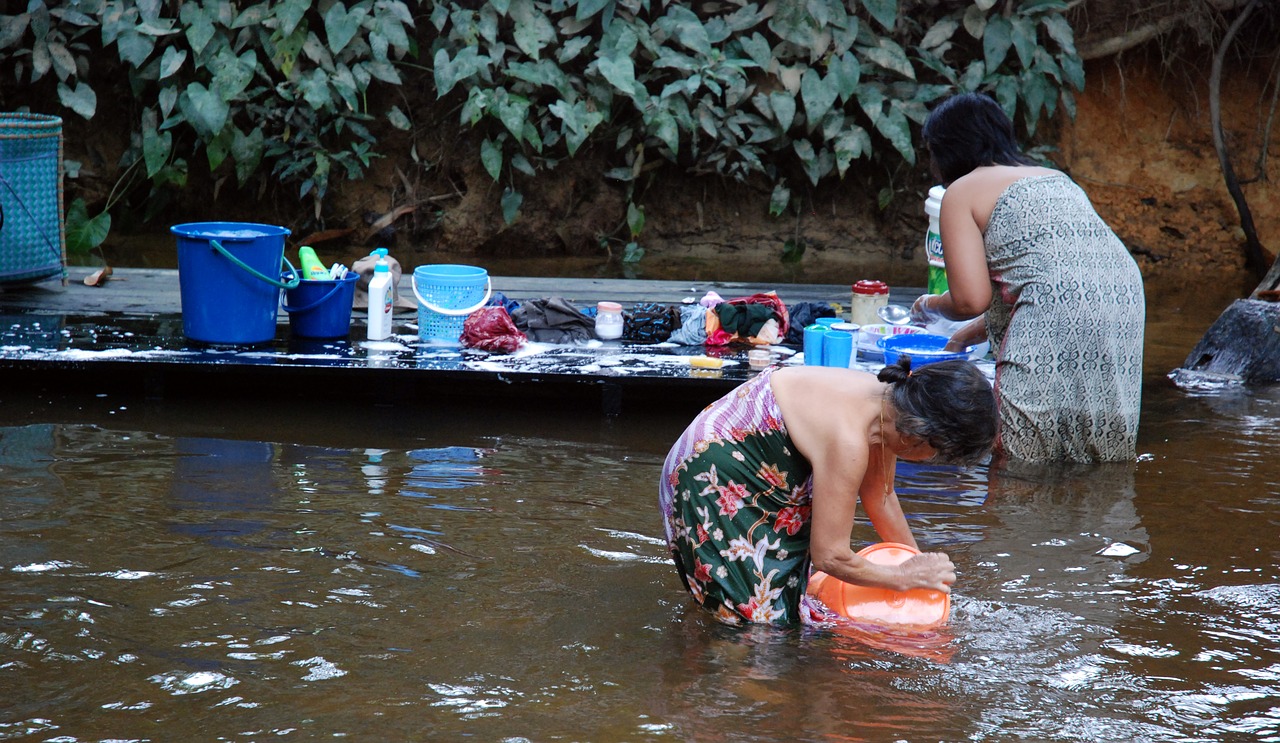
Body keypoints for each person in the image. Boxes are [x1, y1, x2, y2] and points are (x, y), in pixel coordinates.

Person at [658, 359, 996, 626]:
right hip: (711, 474)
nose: (933, 461)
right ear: (921, 435)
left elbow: (881, 497)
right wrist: (899, 578)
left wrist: (918, 571)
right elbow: (830, 556)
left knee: (791, 602)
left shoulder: (890, 405)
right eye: (939, 455)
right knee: (754, 625)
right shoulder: (849, 440)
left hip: (750, 464)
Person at [912, 92, 1145, 463]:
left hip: (1058, 308)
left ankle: (1012, 519)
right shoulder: (1053, 177)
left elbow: (971, 299)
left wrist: (929, 305)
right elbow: (1053, 283)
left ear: (946, 149)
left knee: (1019, 456)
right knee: (1095, 451)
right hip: (1124, 298)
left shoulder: (962, 191)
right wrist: (961, 337)